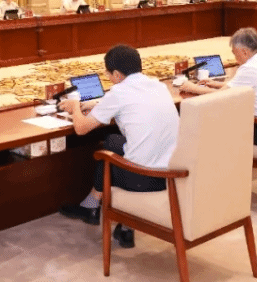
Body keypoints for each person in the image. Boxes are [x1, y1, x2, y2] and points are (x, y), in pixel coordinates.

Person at [58, 45, 179, 249]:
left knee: (108, 154)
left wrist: (75, 106)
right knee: (114, 141)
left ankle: (94, 208)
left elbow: (81, 128)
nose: (108, 78)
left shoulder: (119, 92)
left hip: (144, 179)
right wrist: (100, 104)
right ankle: (120, 225)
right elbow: (132, 104)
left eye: (108, 74)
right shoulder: (157, 85)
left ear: (116, 74)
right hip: (171, 175)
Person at [180, 27, 257, 146]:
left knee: (215, 120)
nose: (236, 59)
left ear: (244, 52)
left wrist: (192, 88)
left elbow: (221, 96)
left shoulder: (250, 68)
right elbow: (248, 85)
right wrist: (217, 84)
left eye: (235, 53)